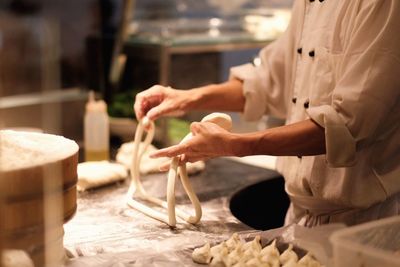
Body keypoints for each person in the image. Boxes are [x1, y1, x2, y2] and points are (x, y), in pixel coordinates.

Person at [134, 0, 400, 227]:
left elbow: (346, 124)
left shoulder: (383, 5)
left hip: (368, 225)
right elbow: (270, 79)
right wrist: (185, 98)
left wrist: (234, 145)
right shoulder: (309, 4)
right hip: (299, 216)